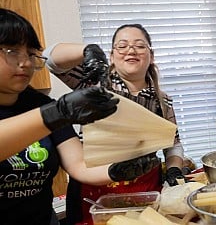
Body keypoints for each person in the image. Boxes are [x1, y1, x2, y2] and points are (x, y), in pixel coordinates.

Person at [0, 8, 159, 225]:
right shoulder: (54, 110)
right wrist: (89, 49)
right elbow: (53, 59)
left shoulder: (43, 105)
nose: (26, 62)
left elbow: (79, 165)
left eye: (29, 53)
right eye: (11, 51)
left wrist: (116, 171)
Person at [44, 24, 185, 224]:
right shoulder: (93, 85)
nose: (131, 50)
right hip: (95, 186)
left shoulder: (162, 101)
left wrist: (174, 169)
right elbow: (50, 60)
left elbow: (173, 144)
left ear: (151, 56)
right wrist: (88, 50)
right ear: (111, 56)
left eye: (140, 46)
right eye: (122, 46)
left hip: (144, 188)